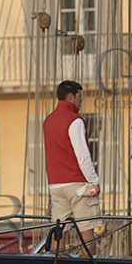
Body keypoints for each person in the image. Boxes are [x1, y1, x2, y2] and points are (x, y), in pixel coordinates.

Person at [42, 80, 101, 229]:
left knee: (58, 231)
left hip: (56, 184)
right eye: (80, 96)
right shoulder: (75, 120)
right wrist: (93, 181)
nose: (81, 101)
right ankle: (87, 254)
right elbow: (82, 154)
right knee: (87, 230)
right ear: (71, 97)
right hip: (77, 184)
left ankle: (56, 253)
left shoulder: (48, 120)